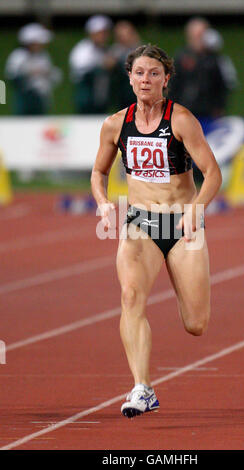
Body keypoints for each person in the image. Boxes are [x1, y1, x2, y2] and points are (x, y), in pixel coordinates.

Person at [91, 44, 222, 418]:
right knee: (131, 296)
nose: (145, 80)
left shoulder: (180, 119)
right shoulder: (116, 124)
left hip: (183, 225)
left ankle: (146, 381)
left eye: (153, 73)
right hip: (139, 223)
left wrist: (196, 208)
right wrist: (103, 202)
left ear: (166, 79)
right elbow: (98, 172)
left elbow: (212, 173)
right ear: (129, 78)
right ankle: (142, 388)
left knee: (196, 324)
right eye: (139, 73)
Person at [170, 17, 228, 119]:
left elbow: (221, 86)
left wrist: (219, 107)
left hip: (208, 111)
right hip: (186, 109)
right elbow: (174, 85)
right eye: (199, 34)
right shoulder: (182, 57)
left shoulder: (214, 59)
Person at [5, 23, 62, 115]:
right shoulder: (18, 56)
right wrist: (30, 73)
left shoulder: (43, 56)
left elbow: (53, 75)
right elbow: (12, 77)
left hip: (41, 97)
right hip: (25, 99)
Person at [69, 15, 116, 114]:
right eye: (100, 33)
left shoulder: (107, 49)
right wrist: (102, 66)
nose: (104, 36)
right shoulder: (82, 50)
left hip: (102, 95)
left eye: (105, 33)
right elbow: (80, 70)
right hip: (87, 97)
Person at [109, 20, 142, 109]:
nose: (123, 38)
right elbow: (108, 64)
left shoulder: (142, 50)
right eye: (120, 36)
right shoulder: (116, 50)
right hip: (122, 90)